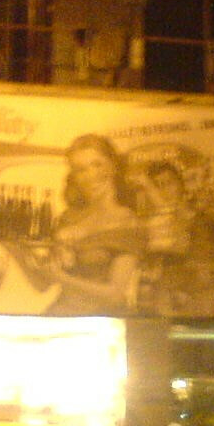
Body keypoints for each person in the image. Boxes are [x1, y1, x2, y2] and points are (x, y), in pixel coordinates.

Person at [43, 134, 145, 313]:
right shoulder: (68, 218)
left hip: (100, 319)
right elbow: (49, 273)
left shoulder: (127, 222)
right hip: (59, 312)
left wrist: (61, 278)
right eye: (80, 169)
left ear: (113, 166)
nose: (91, 175)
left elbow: (115, 294)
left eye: (97, 164)